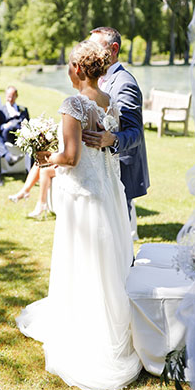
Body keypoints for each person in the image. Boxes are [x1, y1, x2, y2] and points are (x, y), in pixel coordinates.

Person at [16, 40, 142, 390]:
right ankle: (108, 325)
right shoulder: (108, 102)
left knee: (82, 261)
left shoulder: (73, 104)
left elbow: (70, 158)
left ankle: (83, 333)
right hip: (107, 196)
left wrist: (45, 157)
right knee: (105, 263)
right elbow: (101, 147)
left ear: (76, 69)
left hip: (83, 198)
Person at [82, 27, 149, 238]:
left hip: (120, 169)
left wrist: (112, 140)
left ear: (114, 49)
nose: (90, 53)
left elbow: (135, 132)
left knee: (120, 236)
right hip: (100, 167)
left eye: (95, 47)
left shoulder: (124, 83)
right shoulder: (98, 80)